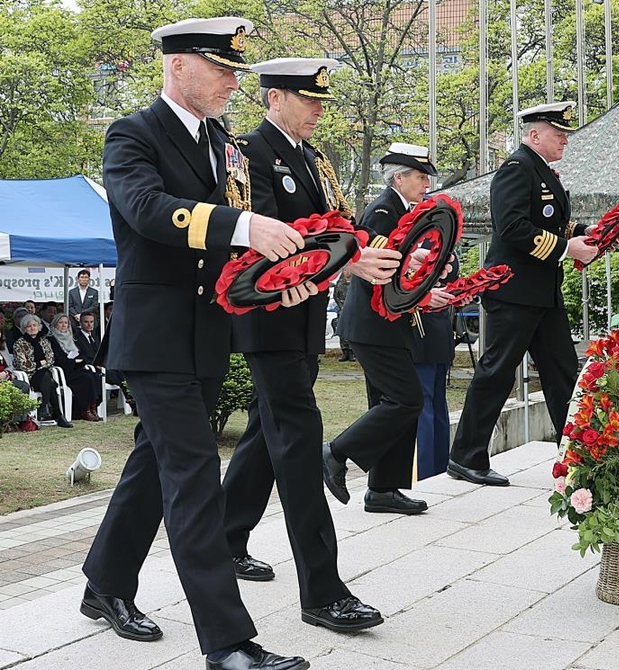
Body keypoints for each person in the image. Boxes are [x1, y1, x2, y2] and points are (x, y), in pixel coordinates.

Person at [80, 17, 315, 670]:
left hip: (208, 332)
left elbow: (243, 247)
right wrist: (243, 223)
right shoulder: (133, 134)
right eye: (221, 68)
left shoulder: (226, 144)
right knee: (192, 476)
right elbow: (147, 209)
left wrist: (279, 282)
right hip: (154, 337)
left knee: (155, 468)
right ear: (178, 64)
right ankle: (228, 643)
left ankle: (104, 585)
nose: (232, 83)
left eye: (237, 71)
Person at [221, 57, 393, 631]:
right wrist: (344, 260)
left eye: (320, 99)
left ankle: (226, 536)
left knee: (264, 434)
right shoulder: (247, 155)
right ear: (274, 99)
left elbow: (339, 229)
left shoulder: (316, 161)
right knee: (298, 443)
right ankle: (323, 592)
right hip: (270, 319)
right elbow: (263, 244)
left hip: (305, 319)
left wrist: (367, 257)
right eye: (307, 97)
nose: (318, 108)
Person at [447, 102, 598, 486]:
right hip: (514, 291)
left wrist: (589, 230)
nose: (565, 138)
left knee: (564, 375)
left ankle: (579, 459)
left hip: (542, 293)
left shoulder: (543, 172)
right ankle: (466, 456)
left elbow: (554, 223)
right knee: (497, 374)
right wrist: (568, 250)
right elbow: (513, 226)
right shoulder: (516, 169)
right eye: (558, 132)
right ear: (534, 135)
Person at [323, 142, 451, 513]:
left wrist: (429, 276)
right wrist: (423, 281)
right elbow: (383, 271)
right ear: (400, 177)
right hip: (373, 324)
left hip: (391, 323)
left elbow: (407, 266)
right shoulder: (382, 210)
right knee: (406, 399)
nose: (427, 183)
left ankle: (383, 489)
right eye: (420, 176)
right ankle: (335, 452)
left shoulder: (405, 210)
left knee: (390, 402)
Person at [412, 254, 460, 480]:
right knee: (436, 404)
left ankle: (425, 471)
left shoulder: (425, 240)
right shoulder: (446, 241)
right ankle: (438, 468)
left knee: (425, 406)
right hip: (439, 332)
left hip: (421, 332)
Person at [12, 314, 72, 428]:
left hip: (44, 375)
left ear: (39, 327)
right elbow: (23, 365)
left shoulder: (45, 341)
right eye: (29, 326)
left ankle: (45, 407)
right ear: (25, 328)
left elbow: (51, 359)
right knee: (49, 380)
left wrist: (36, 365)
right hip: (29, 377)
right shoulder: (19, 344)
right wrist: (40, 363)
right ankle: (58, 415)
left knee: (46, 377)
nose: (32, 328)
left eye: (34, 325)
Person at [48, 313, 102, 421]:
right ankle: (85, 410)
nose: (64, 325)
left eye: (66, 323)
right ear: (55, 324)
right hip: (63, 372)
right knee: (85, 379)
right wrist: (74, 361)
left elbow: (81, 355)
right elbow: (59, 359)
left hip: (75, 368)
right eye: (61, 323)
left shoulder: (71, 338)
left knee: (94, 375)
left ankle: (93, 407)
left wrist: (75, 361)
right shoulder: (51, 339)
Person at [333, 277, 355, 361]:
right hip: (341, 310)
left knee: (352, 331)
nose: (347, 272)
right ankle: (345, 352)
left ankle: (352, 352)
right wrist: (341, 306)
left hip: (353, 310)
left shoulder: (354, 283)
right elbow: (336, 296)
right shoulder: (340, 283)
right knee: (342, 332)